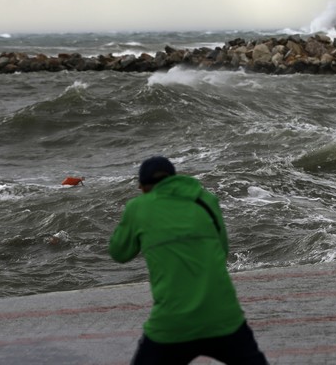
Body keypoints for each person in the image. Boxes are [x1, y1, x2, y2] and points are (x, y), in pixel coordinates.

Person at [109, 156, 268, 365]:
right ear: (173, 179)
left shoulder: (138, 207)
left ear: (145, 187)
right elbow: (223, 250)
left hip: (173, 323)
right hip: (223, 318)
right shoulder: (206, 200)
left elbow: (119, 252)